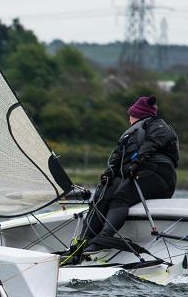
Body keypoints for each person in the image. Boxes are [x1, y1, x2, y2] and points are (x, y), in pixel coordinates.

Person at [64, 95, 179, 264]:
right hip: (136, 175)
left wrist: (137, 161)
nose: (129, 117)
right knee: (102, 195)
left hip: (158, 175)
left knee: (121, 197)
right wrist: (109, 173)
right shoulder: (128, 134)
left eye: (131, 114)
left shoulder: (158, 125)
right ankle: (84, 242)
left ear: (138, 114)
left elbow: (152, 144)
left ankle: (103, 239)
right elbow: (117, 158)